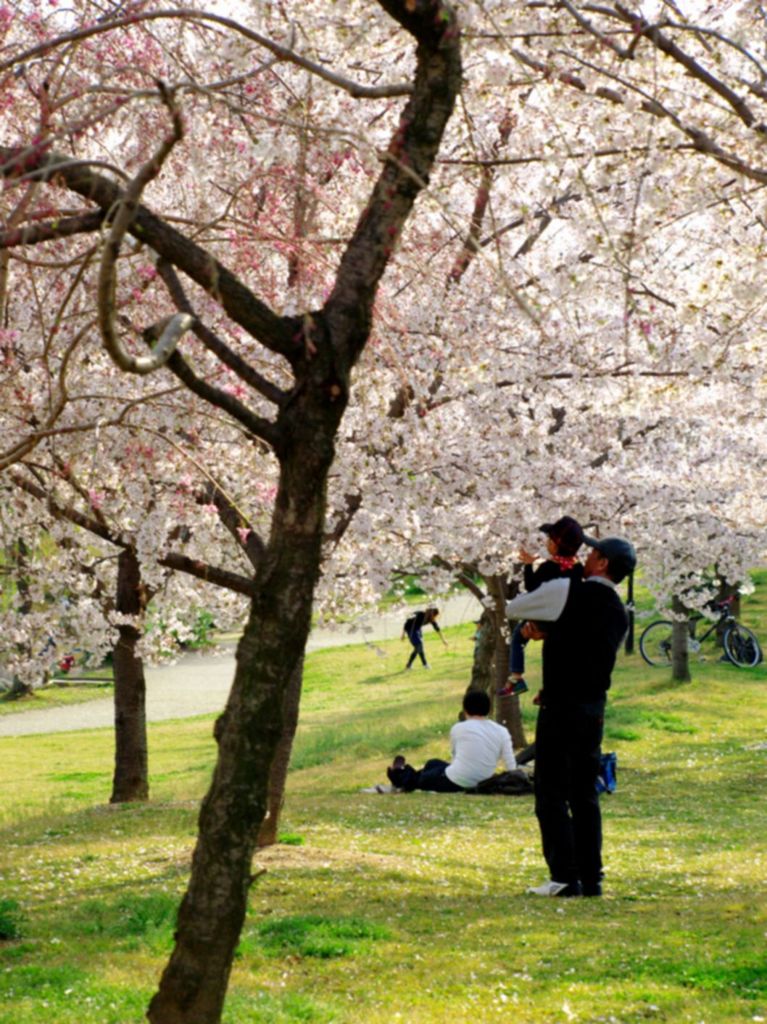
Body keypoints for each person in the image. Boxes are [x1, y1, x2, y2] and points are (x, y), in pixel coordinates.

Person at [503, 534, 636, 897]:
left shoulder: (567, 590)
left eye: (592, 552)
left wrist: (540, 627)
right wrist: (552, 631)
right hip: (593, 708)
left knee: (549, 792)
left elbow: (515, 608)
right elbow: (585, 639)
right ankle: (591, 877)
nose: (585, 555)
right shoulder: (617, 611)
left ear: (603, 562)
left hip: (560, 706)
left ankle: (563, 875)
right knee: (584, 794)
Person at [499, 515, 584, 697]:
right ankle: (547, 689)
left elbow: (531, 587)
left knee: (517, 638)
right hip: (564, 620)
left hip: (543, 617)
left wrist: (529, 565)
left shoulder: (549, 567)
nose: (546, 543)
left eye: (548, 539)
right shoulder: (578, 568)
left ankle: (516, 677)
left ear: (555, 544)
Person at [386, 689, 516, 792]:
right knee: (432, 763)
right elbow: (510, 763)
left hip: (457, 781)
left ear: (465, 710)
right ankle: (405, 774)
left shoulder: (459, 728)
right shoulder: (502, 731)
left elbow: (455, 757)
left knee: (423, 779)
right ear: (488, 709)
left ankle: (399, 775)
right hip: (483, 780)